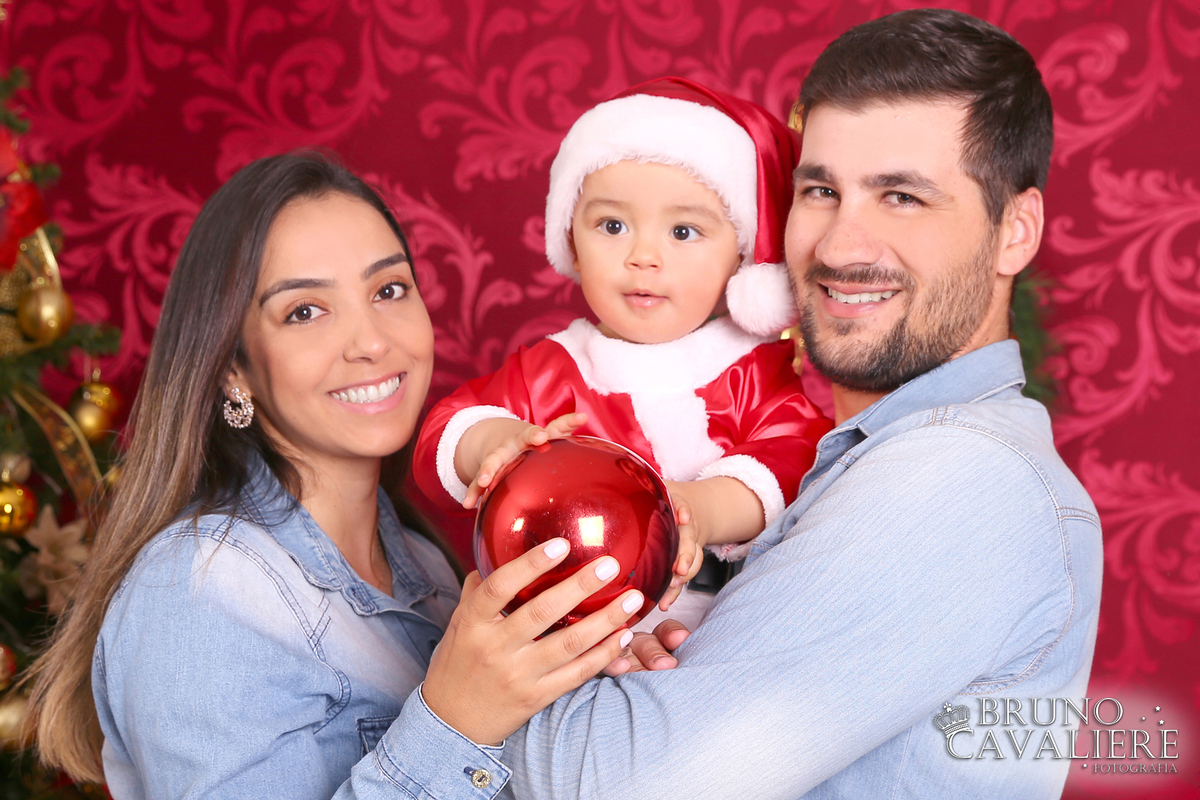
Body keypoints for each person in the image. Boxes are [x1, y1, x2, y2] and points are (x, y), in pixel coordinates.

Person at [421, 10, 1104, 799]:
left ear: (1015, 230)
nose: (840, 246)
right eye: (821, 191)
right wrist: (632, 664)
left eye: (902, 197)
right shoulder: (861, 460)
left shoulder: (958, 477)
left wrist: (496, 676)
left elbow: (611, 782)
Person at [24, 153, 667, 799]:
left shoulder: (427, 566)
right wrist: (457, 720)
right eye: (305, 310)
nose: (371, 342)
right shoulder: (200, 585)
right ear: (232, 369)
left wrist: (586, 680)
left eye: (388, 290)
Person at [414, 77, 832, 631]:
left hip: (725, 623)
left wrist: (702, 509)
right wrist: (490, 443)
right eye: (612, 226)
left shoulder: (748, 371)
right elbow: (440, 433)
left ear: (741, 255)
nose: (643, 256)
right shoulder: (553, 370)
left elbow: (797, 456)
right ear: (572, 241)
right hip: (565, 625)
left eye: (683, 231)